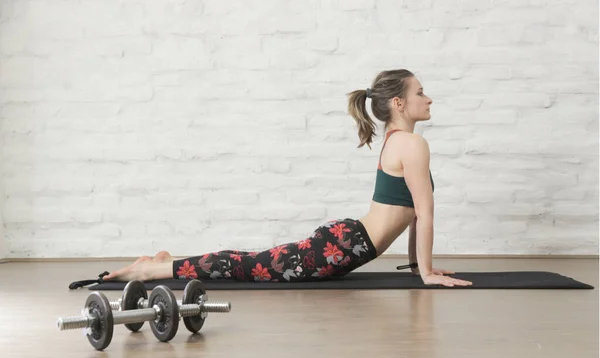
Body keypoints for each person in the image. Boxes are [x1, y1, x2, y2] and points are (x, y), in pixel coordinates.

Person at [103, 69, 472, 288]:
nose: (429, 99)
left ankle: (168, 261)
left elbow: (414, 213)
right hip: (341, 247)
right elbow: (423, 212)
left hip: (346, 240)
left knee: (249, 260)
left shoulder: (401, 142)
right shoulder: (411, 144)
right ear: (399, 103)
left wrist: (417, 267)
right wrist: (425, 273)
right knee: (247, 266)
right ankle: (154, 268)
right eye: (420, 92)